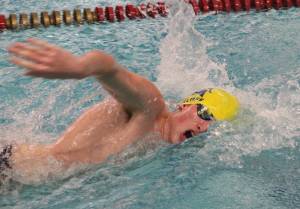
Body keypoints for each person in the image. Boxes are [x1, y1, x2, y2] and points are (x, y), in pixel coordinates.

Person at [2, 38, 239, 181]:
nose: (203, 126)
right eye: (206, 114)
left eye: (212, 124)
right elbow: (108, 67)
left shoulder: (156, 146)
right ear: (185, 105)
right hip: (9, 166)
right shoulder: (151, 108)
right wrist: (80, 67)